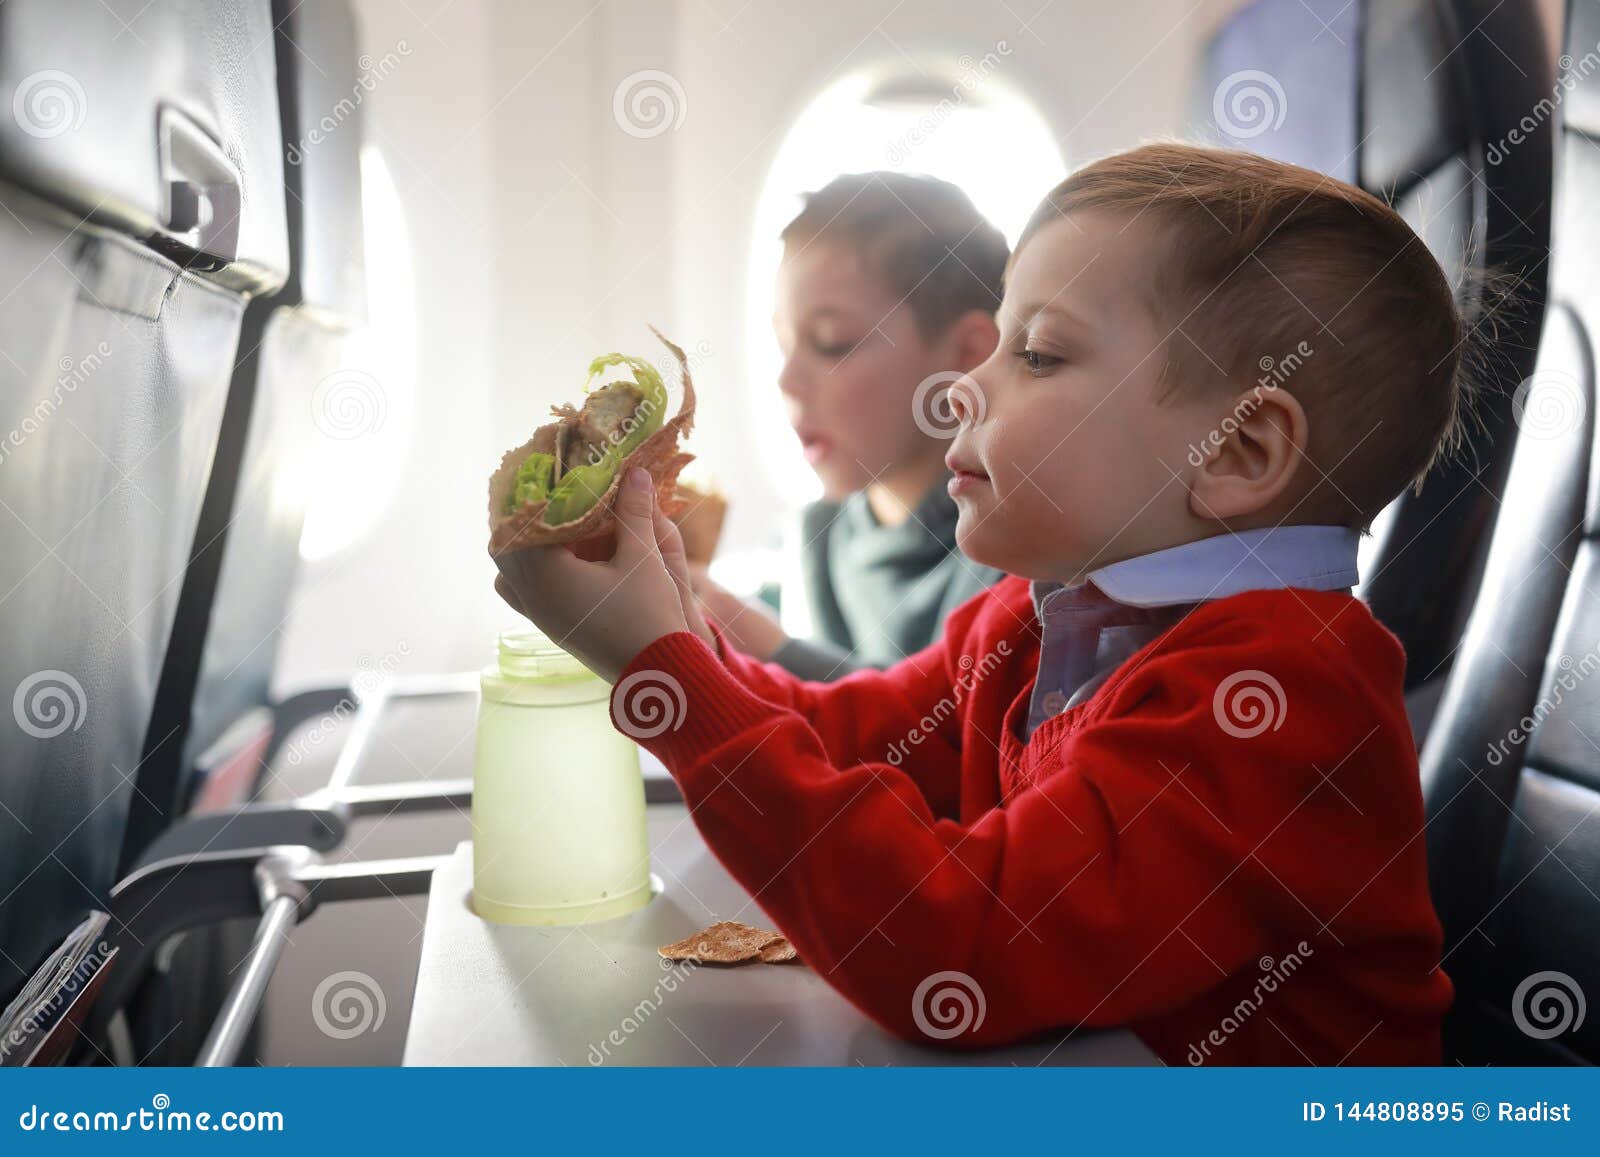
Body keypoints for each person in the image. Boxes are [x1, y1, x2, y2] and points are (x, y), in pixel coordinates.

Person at [492, 142, 1464, 1065]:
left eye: (1036, 355)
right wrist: (670, 634)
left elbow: (956, 946)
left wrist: (664, 670)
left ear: (1238, 453)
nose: (961, 387)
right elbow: (847, 735)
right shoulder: (1033, 615)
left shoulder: (1280, 696)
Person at [692, 172, 1007, 679]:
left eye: (832, 343)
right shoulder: (811, 537)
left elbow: (942, 735)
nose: (788, 380)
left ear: (965, 356)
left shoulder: (1009, 553)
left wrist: (774, 651)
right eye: (784, 345)